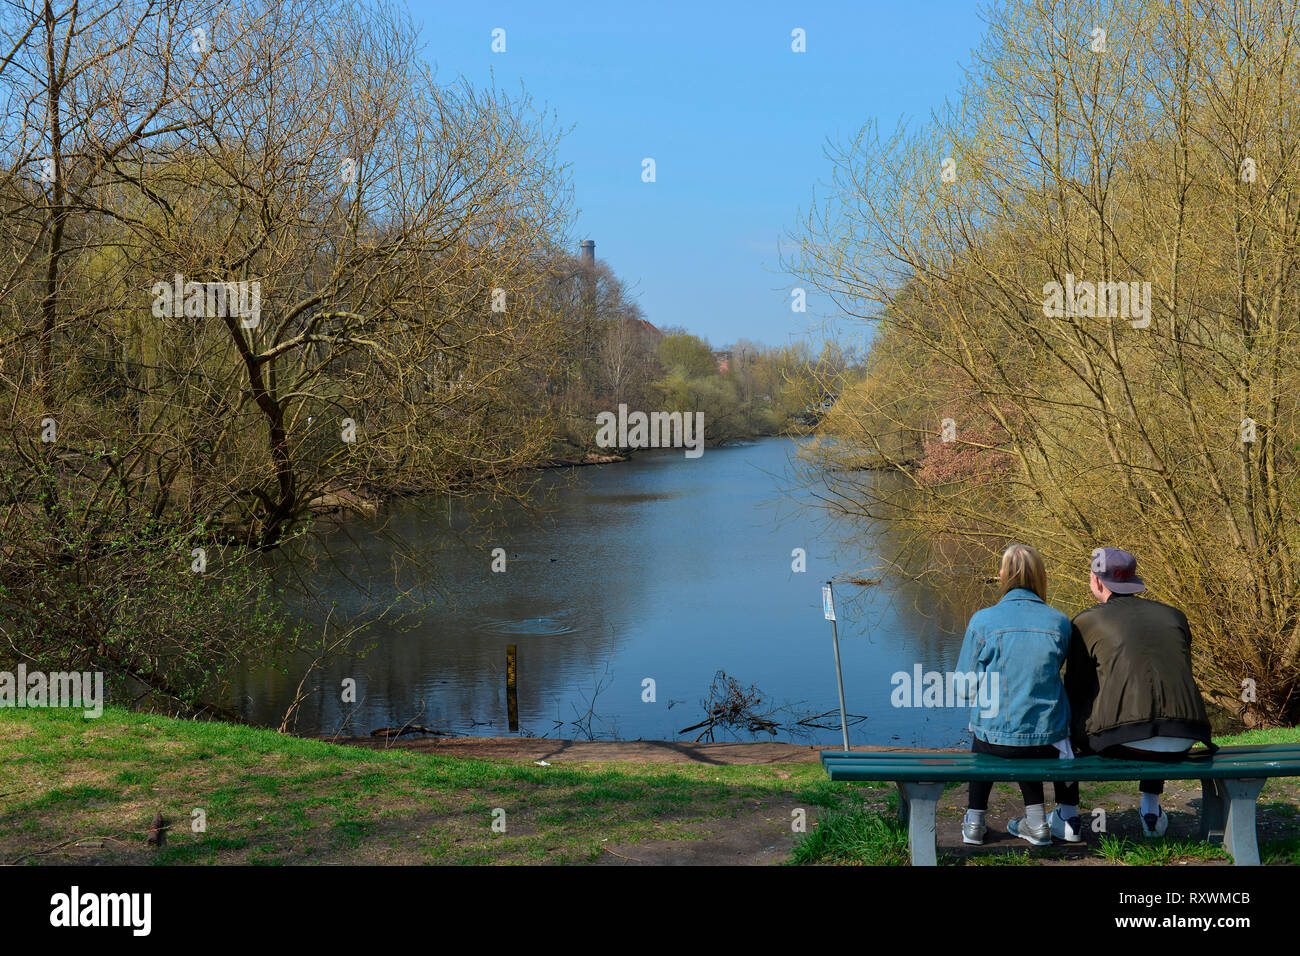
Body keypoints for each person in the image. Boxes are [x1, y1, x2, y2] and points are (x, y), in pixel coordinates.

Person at [1060, 547, 1215, 838]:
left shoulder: (1086, 623)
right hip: (1184, 738)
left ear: (1096, 581)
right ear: (1133, 580)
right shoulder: (1174, 616)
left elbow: (1075, 690)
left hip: (1122, 743)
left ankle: (1068, 818)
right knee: (1155, 706)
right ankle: (1151, 811)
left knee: (1062, 717)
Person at [955, 543, 1079, 847]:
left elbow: (963, 687)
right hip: (1045, 740)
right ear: (1041, 576)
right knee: (1032, 726)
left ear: (1002, 576)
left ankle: (974, 823)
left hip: (993, 742)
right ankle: (1037, 824)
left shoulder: (983, 621)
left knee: (988, 733)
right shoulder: (1060, 621)